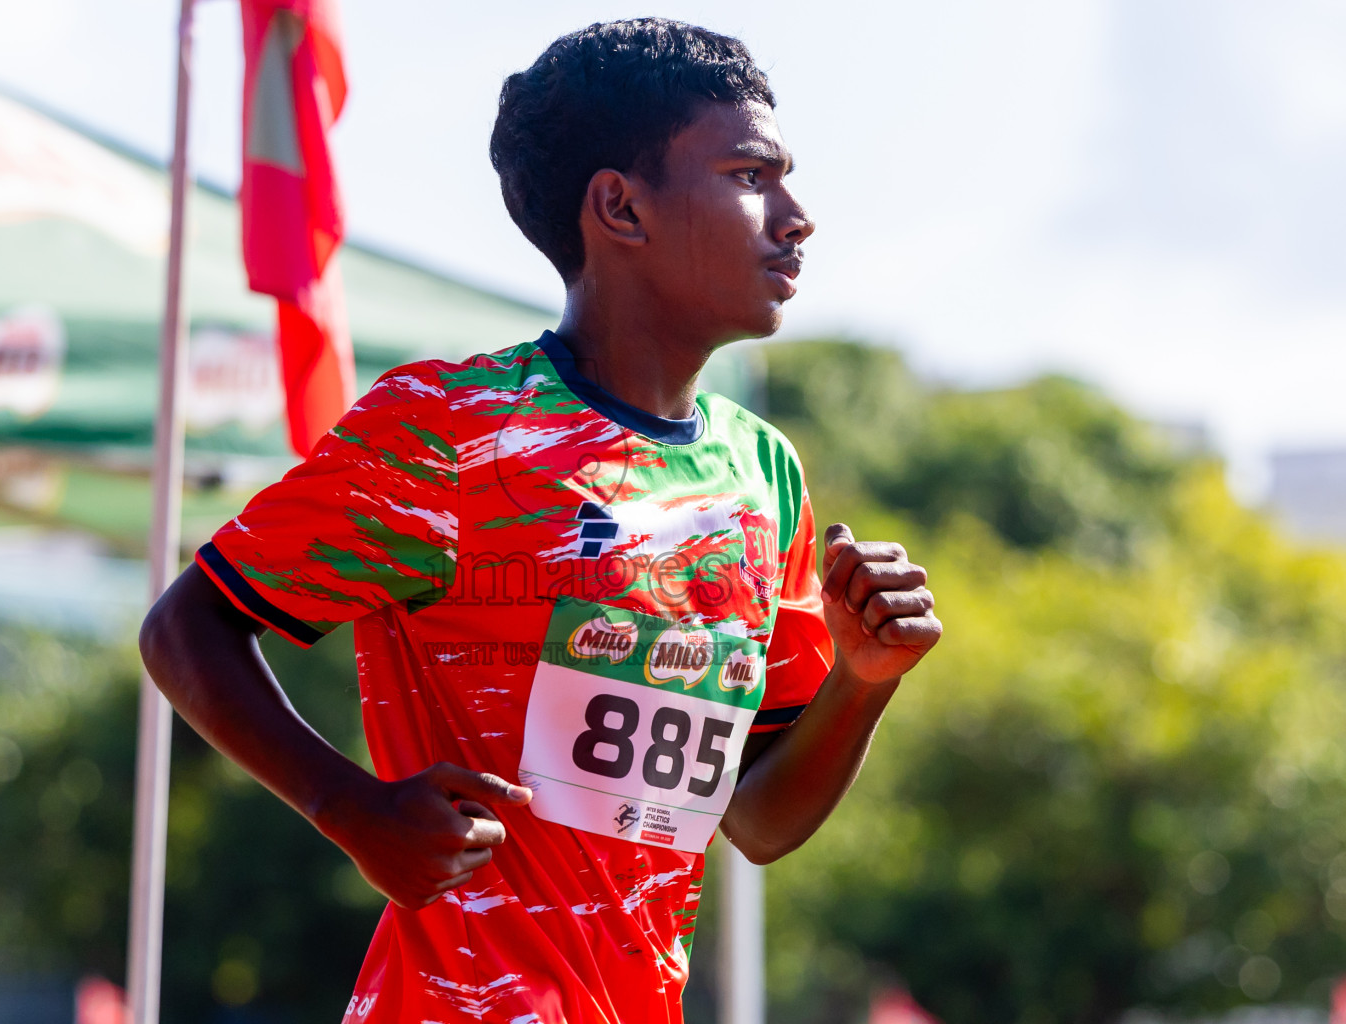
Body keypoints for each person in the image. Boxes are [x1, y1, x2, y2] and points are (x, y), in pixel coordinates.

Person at [141, 17, 942, 1024]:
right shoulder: (449, 429)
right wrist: (348, 807)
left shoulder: (765, 475)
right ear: (620, 206)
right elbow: (186, 626)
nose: (798, 218)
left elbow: (760, 818)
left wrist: (864, 680)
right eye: (750, 175)